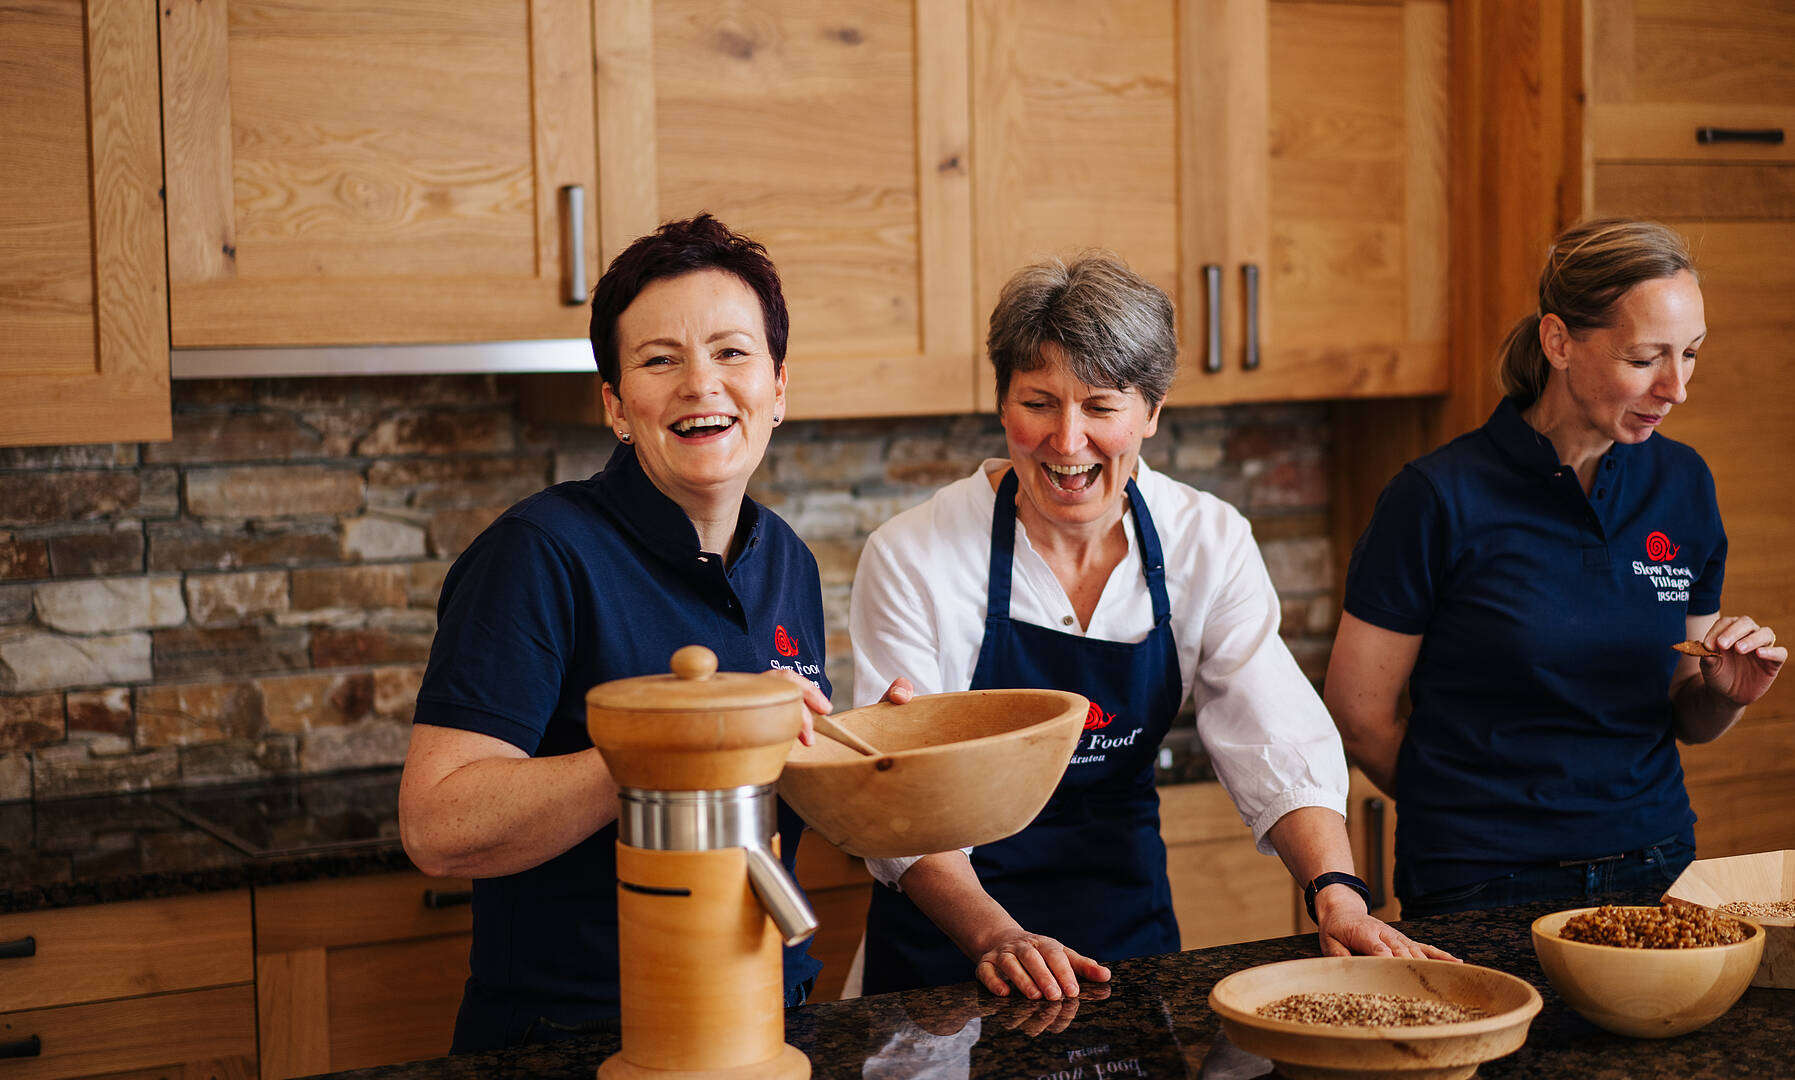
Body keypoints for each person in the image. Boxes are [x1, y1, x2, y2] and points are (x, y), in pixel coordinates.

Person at [849, 252, 1453, 1001]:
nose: (1067, 442)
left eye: (1101, 407)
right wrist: (994, 934)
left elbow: (1275, 730)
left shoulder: (1207, 540)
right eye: (1039, 403)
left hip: (1122, 937)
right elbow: (901, 797)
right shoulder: (913, 555)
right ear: (1002, 403)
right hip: (948, 951)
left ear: (1152, 412)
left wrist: (1336, 894)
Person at [398, 214, 861, 1050]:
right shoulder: (538, 554)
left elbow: (768, 786)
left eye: (731, 352)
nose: (700, 384)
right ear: (616, 405)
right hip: (579, 1032)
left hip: (768, 1014)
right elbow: (438, 825)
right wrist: (678, 746)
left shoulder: (786, 557)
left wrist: (874, 758)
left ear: (779, 387)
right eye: (659, 359)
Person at [1324, 218, 1788, 919]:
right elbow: (1359, 715)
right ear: (1559, 341)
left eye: (1689, 354)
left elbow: (1687, 709)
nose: (1676, 388)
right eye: (1645, 359)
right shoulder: (1436, 497)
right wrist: (1470, 813)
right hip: (1482, 881)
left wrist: (1725, 693)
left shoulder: (1684, 484)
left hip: (1656, 863)